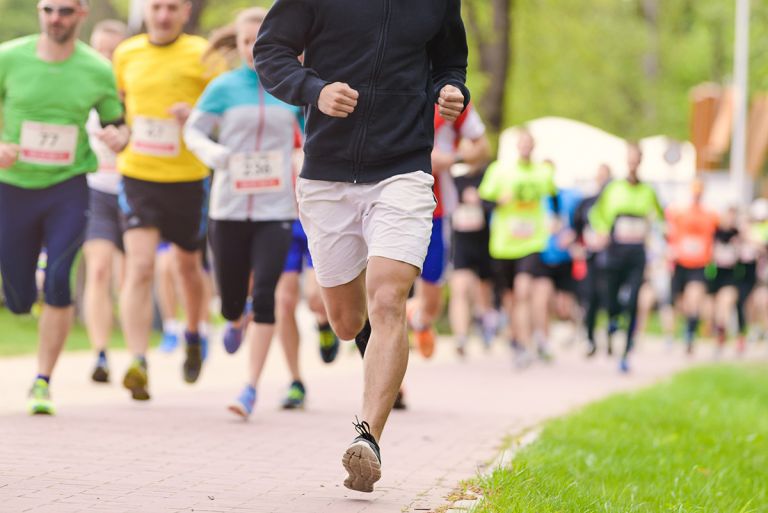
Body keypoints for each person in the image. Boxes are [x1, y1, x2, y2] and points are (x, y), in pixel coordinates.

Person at [254, 0, 469, 493]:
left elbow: (449, 62)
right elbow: (271, 51)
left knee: (390, 299)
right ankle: (362, 346)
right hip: (327, 174)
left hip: (403, 167)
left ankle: (367, 441)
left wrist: (451, 90)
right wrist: (315, 89)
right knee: (348, 321)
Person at [0, 0, 128, 414]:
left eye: (65, 11)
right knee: (18, 298)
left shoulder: (96, 67)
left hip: (69, 188)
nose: (56, 18)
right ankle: (23, 290)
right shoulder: (9, 56)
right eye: (48, 9)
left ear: (82, 14)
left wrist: (119, 137)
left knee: (59, 279)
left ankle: (42, 382)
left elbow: (115, 119)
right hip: (13, 188)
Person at [184, 7, 306, 418]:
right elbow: (193, 131)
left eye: (262, 41)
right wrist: (217, 155)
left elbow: (312, 139)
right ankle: (235, 318)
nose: (254, 49)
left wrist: (302, 159)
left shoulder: (291, 88)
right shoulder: (223, 87)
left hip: (276, 209)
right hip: (228, 208)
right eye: (246, 42)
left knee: (268, 293)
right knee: (231, 302)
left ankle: (250, 387)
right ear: (236, 45)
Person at [113, 0, 224, 401]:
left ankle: (193, 335)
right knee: (140, 266)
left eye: (171, 8)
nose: (162, 15)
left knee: (187, 268)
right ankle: (138, 360)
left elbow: (224, 116)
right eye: (156, 7)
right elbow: (116, 107)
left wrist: (196, 114)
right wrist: (116, 132)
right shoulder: (126, 53)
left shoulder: (203, 54)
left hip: (188, 179)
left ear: (185, 11)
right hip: (138, 173)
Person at [408, 103, 490, 358]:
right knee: (387, 293)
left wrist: (452, 159)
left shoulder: (450, 98)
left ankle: (420, 319)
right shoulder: (385, 82)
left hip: (437, 211)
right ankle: (392, 386)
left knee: (431, 301)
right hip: (389, 206)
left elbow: (483, 148)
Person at [478, 130, 559, 368]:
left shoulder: (543, 172)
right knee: (511, 298)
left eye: (529, 143)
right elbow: (483, 201)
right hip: (504, 245)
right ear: (517, 146)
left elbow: (554, 195)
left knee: (524, 291)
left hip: (532, 241)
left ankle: (526, 344)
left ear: (533, 146)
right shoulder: (500, 170)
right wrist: (497, 203)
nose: (525, 147)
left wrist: (555, 217)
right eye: (522, 143)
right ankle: (518, 339)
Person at [589, 142, 664, 373]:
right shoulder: (613, 188)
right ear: (626, 160)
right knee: (612, 300)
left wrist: (659, 240)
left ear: (640, 161)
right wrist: (601, 230)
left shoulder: (649, 190)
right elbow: (596, 214)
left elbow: (661, 218)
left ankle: (626, 352)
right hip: (615, 250)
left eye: (636, 158)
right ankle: (612, 321)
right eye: (630, 158)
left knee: (633, 302)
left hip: (637, 252)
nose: (633, 162)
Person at [83, 19, 129, 384]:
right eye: (101, 51)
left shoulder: (137, 92)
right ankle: (100, 354)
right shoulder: (79, 90)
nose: (107, 59)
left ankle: (135, 355)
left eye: (114, 52)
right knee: (98, 270)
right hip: (95, 189)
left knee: (127, 278)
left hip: (134, 189)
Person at [665, 179, 718, 353]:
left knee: (694, 299)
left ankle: (690, 333)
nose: (697, 194)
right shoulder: (680, 212)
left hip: (699, 265)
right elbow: (667, 227)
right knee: (680, 304)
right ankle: (680, 330)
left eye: (699, 191)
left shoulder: (711, 215)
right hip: (680, 264)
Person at [572, 164, 611, 356]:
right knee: (590, 298)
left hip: (611, 259)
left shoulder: (615, 204)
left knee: (610, 298)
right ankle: (590, 338)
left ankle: (611, 335)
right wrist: (577, 245)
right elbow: (576, 228)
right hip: (591, 258)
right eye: (600, 176)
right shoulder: (586, 203)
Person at [706, 207, 741, 354]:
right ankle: (718, 331)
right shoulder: (714, 233)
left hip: (731, 277)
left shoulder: (739, 234)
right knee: (713, 310)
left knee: (725, 304)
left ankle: (722, 334)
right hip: (715, 276)